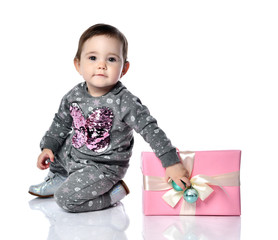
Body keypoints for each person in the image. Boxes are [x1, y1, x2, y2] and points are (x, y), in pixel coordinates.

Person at [29, 23, 191, 213]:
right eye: (92, 57)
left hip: (102, 167)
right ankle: (59, 177)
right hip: (75, 155)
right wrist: (48, 147)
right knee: (59, 143)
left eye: (112, 59)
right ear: (78, 65)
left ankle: (112, 194)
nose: (101, 65)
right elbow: (60, 123)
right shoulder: (73, 95)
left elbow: (150, 129)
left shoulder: (124, 101)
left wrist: (171, 163)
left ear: (124, 68)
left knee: (65, 200)